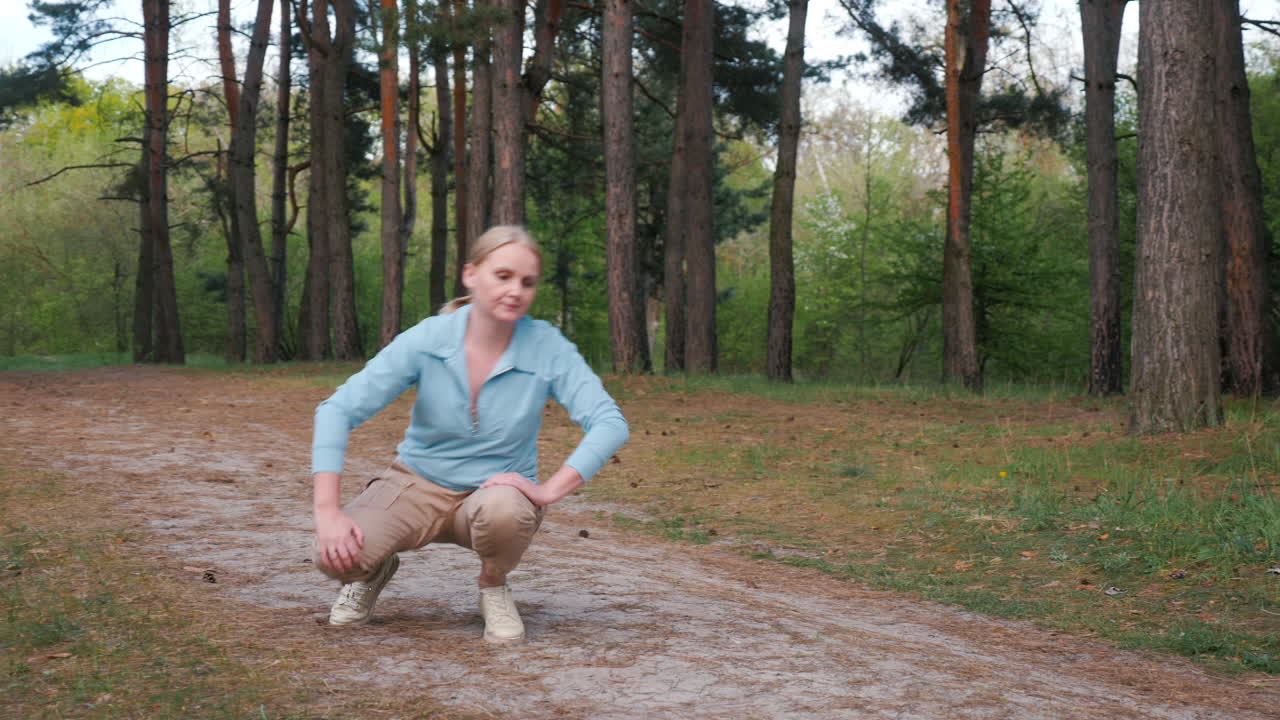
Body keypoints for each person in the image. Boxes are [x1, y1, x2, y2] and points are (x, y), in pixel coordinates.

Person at [310, 225, 629, 644]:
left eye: (527, 282)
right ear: (471, 275)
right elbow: (338, 409)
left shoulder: (547, 346)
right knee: (331, 557)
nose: (515, 291)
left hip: (494, 493)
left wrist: (548, 490)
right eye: (503, 276)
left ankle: (492, 584)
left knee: (505, 508)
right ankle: (373, 570)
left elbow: (609, 422)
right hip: (416, 484)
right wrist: (328, 514)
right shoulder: (429, 338)